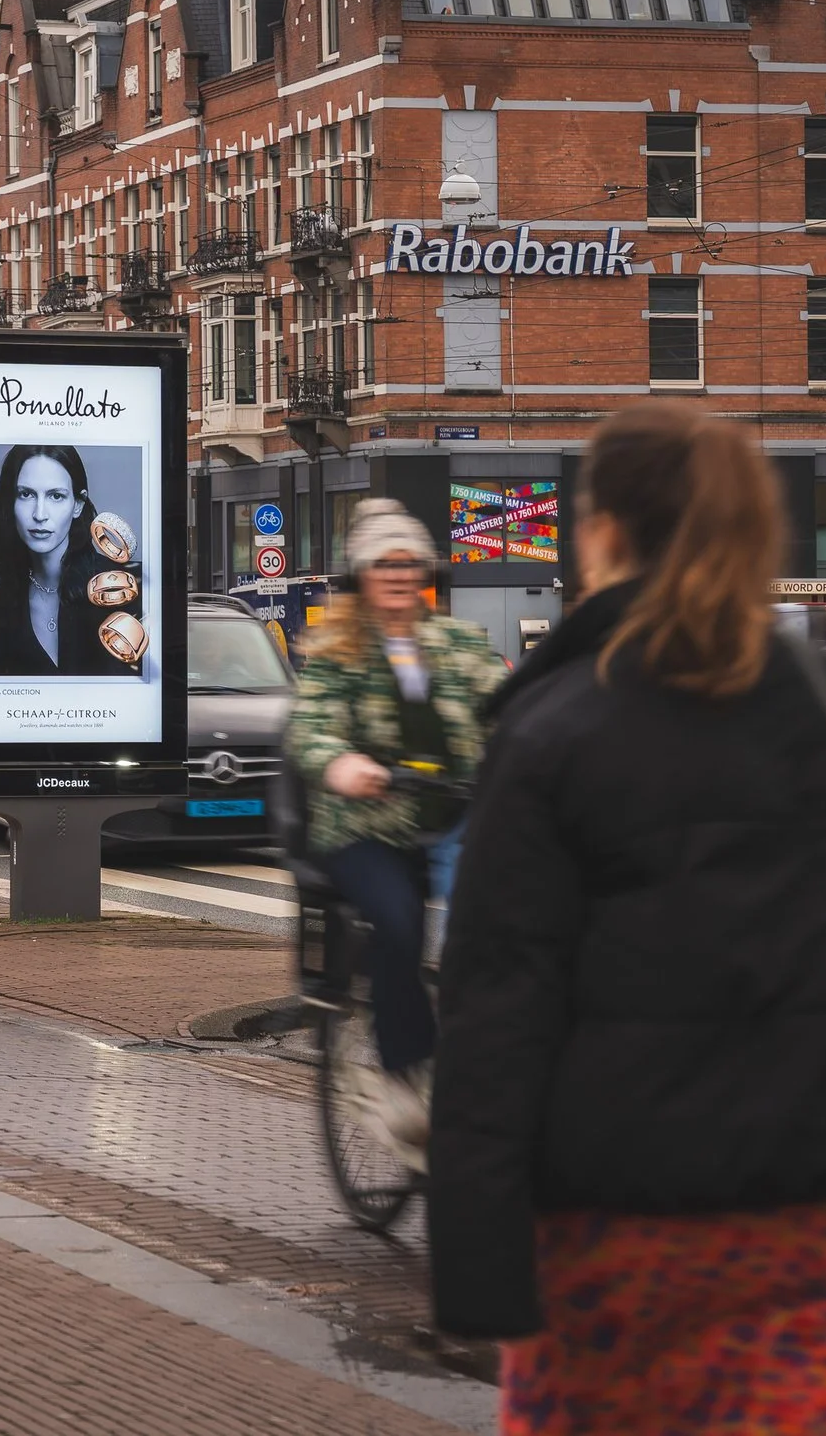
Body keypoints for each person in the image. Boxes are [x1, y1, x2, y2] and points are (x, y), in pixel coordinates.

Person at [429, 402, 826, 1434]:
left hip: (617, 1231)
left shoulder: (553, 731)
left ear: (602, 533)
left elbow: (496, 1018)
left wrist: (479, 1269)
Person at [285, 499, 504, 1166]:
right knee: (398, 921)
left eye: (411, 562)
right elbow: (311, 726)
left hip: (451, 819)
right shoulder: (337, 651)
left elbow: (503, 700)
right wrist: (343, 763)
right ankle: (402, 1075)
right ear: (362, 574)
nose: (401, 574)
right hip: (365, 826)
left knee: (494, 927)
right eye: (387, 563)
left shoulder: (457, 644)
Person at [0, 444, 140, 676]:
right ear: (10, 502)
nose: (39, 514)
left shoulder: (124, 588)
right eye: (26, 494)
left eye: (56, 496)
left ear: (78, 504)